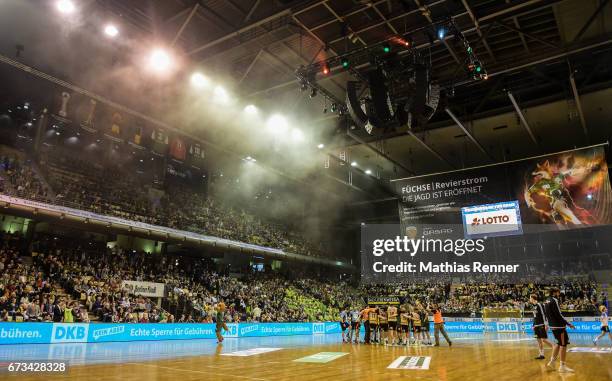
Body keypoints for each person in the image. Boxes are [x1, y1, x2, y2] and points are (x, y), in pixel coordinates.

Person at [544, 287, 575, 373]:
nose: (559, 293)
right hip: (559, 327)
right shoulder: (554, 300)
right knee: (563, 345)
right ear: (555, 292)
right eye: (558, 292)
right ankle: (562, 366)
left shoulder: (546, 301)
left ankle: (552, 362)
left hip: (553, 326)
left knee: (558, 344)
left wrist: (547, 324)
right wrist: (569, 323)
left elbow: (546, 314)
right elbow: (559, 314)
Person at [530, 293, 553, 360]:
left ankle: (555, 348)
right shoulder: (533, 306)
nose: (529, 299)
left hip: (542, 325)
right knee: (539, 341)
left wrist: (546, 324)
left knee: (543, 339)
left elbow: (544, 314)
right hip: (536, 326)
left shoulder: (539, 304)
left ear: (532, 298)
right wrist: (533, 325)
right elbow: (534, 317)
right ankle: (541, 355)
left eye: (530, 298)